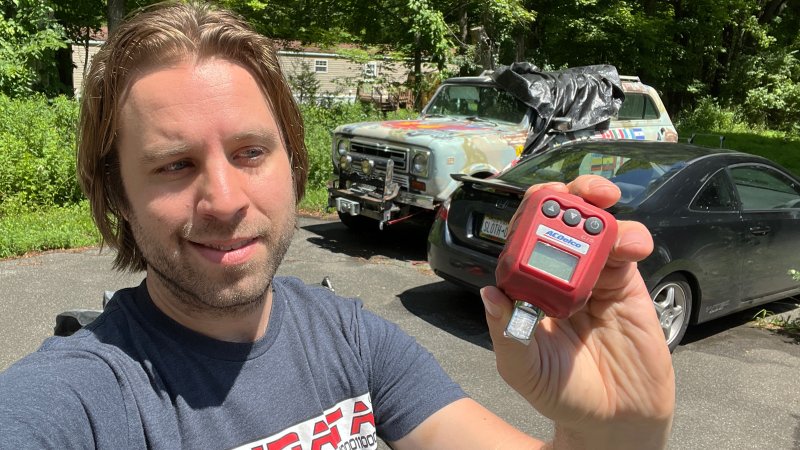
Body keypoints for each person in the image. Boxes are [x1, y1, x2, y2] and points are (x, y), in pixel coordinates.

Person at [0, 1, 675, 448]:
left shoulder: (350, 338)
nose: (226, 199)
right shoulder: (80, 400)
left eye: (251, 152)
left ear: (292, 164)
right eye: (174, 165)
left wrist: (618, 430)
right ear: (118, 192)